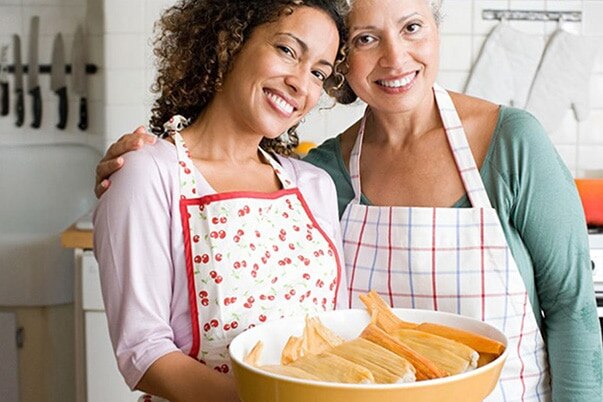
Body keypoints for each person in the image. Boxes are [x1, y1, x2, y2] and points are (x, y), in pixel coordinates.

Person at [95, 0, 603, 400]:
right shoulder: (325, 174)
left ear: (436, 30)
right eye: (365, 38)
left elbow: (572, 311)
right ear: (347, 68)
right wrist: (134, 171)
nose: (396, 58)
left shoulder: (511, 141)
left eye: (412, 27)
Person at [92, 1, 351, 401]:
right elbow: (142, 351)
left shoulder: (314, 186)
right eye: (287, 50)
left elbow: (334, 332)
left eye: (319, 72)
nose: (302, 82)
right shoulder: (148, 174)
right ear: (230, 43)